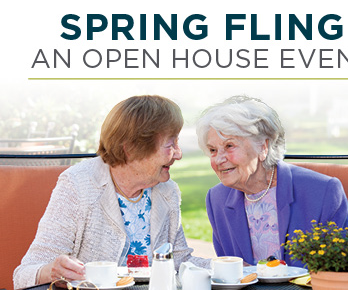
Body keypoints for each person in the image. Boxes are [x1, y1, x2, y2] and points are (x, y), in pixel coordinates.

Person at [14, 95, 209, 290]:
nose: (179, 154)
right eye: (170, 145)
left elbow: (181, 262)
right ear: (132, 149)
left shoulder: (167, 191)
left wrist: (231, 269)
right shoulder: (78, 185)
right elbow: (24, 275)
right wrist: (53, 271)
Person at [196, 95, 348, 268]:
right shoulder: (217, 199)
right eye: (212, 150)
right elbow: (229, 271)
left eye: (229, 146)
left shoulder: (323, 192)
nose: (218, 160)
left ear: (263, 147)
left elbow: (342, 269)